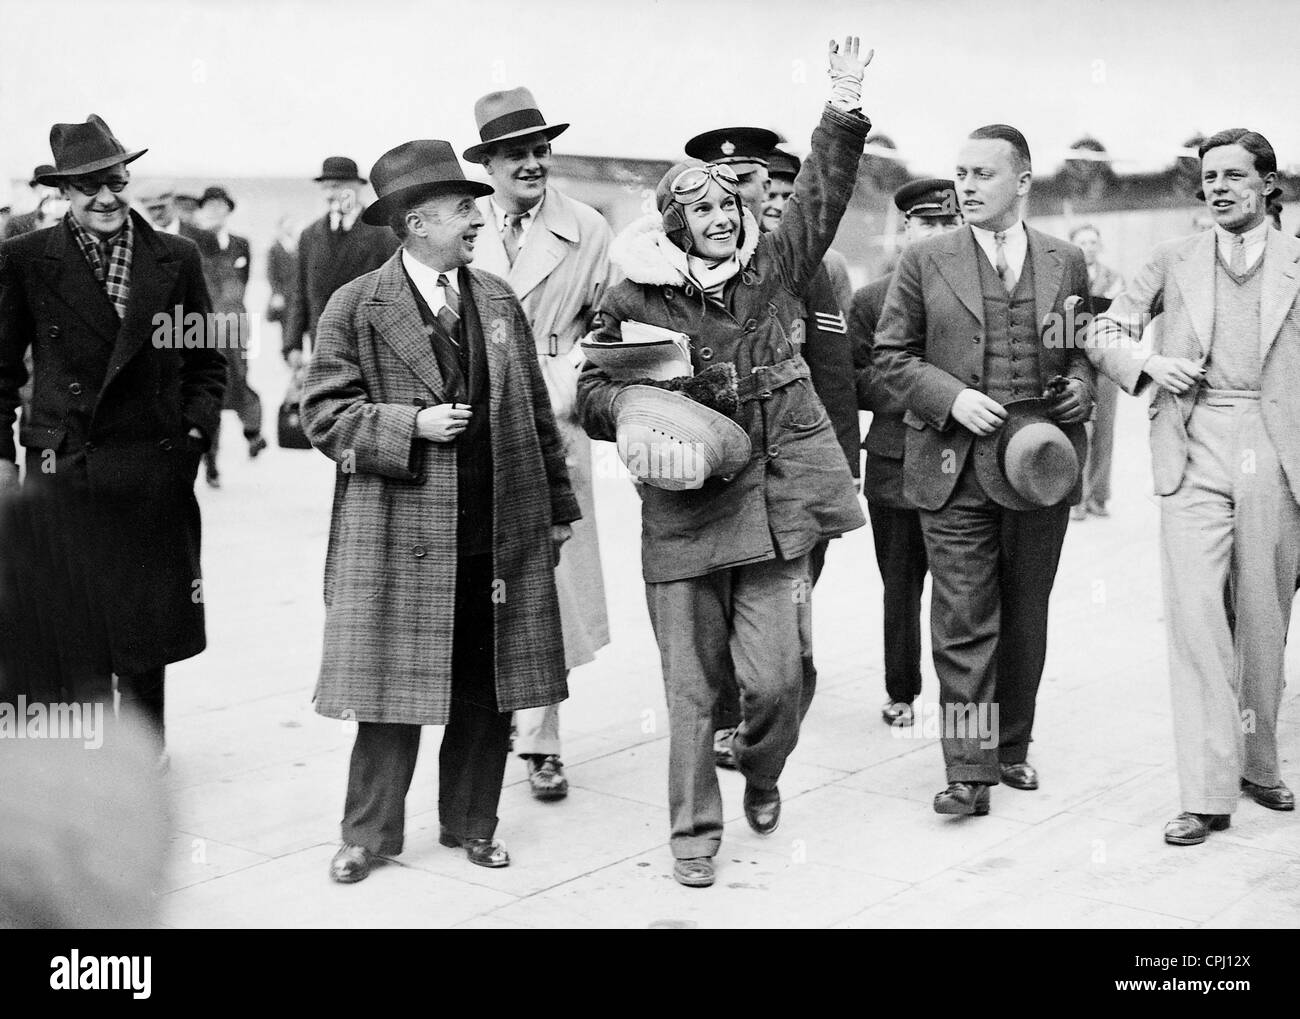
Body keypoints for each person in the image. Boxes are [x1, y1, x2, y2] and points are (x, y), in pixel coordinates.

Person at [577, 36, 873, 888]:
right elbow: (593, 391)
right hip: (683, 513)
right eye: (700, 208)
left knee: (779, 681)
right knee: (689, 694)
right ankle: (693, 837)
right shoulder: (631, 294)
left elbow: (821, 190)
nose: (720, 216)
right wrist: (635, 407)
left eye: (728, 205)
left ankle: (764, 767)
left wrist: (842, 104)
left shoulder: (775, 273)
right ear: (673, 222)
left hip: (777, 510)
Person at [301, 140, 579, 884]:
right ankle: (368, 835)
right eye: (461, 207)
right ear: (415, 221)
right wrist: (406, 427)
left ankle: (472, 823)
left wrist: (556, 507)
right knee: (390, 693)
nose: (476, 217)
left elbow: (536, 416)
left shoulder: (494, 298)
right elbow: (322, 414)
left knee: (488, 688)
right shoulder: (356, 305)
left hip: (496, 530)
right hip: (400, 535)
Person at [1083, 128, 1298, 846]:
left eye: (1236, 175)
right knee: (1198, 615)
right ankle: (1205, 792)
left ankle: (1258, 761)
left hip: (1278, 451)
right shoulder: (1171, 259)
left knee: (1264, 620)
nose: (1219, 187)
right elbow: (1101, 330)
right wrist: (1147, 365)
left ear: (1269, 184)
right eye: (1209, 176)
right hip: (1193, 444)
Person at [874, 124, 1094, 816]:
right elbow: (890, 357)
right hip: (952, 467)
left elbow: (1074, 346)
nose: (965, 186)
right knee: (963, 618)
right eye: (960, 173)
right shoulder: (926, 259)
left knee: (1027, 611)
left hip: (1038, 467)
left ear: (1023, 182)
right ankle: (968, 769)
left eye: (982, 174)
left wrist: (1080, 387)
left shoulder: (1064, 263)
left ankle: (1012, 748)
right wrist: (952, 397)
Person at [0, 114, 226, 753]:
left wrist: (191, 435)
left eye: (115, 181)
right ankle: (92, 759)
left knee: (146, 616)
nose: (105, 197)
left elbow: (208, 360)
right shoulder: (23, 260)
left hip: (150, 464)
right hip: (63, 464)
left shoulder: (175, 258)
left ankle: (145, 750)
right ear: (63, 193)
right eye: (87, 186)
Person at [683, 129, 861, 769]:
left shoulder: (800, 264)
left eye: (747, 182)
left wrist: (842, 471)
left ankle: (766, 731)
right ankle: (730, 723)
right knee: (719, 608)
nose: (734, 195)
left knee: (785, 611)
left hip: (793, 475)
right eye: (715, 184)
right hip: (715, 478)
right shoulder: (676, 269)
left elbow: (835, 375)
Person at [465, 86, 611, 801]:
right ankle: (484, 730)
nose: (532, 163)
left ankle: (544, 739)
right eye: (515, 152)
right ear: (487, 162)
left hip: (553, 412)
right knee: (485, 571)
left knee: (551, 576)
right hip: (474, 411)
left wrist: (565, 379)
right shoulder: (462, 226)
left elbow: (609, 325)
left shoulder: (586, 227)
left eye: (539, 149)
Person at [850, 178, 961, 727]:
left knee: (963, 588)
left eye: (947, 223)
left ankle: (962, 699)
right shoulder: (871, 300)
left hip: (960, 461)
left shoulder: (973, 297)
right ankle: (901, 690)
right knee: (900, 584)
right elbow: (851, 377)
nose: (936, 233)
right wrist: (927, 391)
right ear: (906, 230)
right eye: (926, 223)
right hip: (894, 461)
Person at [282, 156, 398, 368]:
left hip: (369, 344)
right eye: (325, 188)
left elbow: (395, 294)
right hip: (323, 340)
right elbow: (299, 292)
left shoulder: (384, 234)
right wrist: (293, 344)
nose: (329, 195)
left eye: (336, 187)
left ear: (357, 188)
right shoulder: (310, 235)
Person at [196, 185, 266, 478]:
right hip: (201, 327)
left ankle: (252, 432)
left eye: (221, 206)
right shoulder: (192, 242)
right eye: (210, 206)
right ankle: (211, 459)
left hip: (236, 326)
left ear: (228, 209)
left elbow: (243, 283)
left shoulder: (241, 243)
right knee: (207, 390)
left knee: (239, 379)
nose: (216, 211)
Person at [1068, 223, 1124, 520]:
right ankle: (1077, 499)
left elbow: (1123, 318)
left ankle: (1099, 497)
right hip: (1076, 362)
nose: (1088, 247)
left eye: (1093, 241)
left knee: (1105, 430)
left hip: (1106, 363)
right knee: (1080, 429)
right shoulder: (1064, 276)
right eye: (1082, 242)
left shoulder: (1114, 279)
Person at [3, 165, 65, 240]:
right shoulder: (17, 223)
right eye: (44, 186)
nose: (49, 190)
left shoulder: (71, 215)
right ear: (34, 188)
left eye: (53, 185)